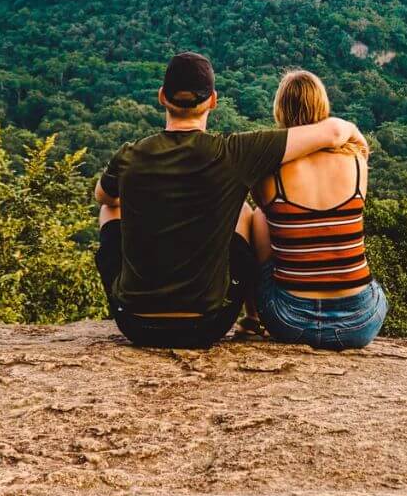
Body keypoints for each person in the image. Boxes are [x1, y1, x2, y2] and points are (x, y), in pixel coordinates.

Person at [94, 52, 369, 349]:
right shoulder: (233, 153)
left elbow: (103, 196)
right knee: (244, 211)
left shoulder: (130, 155)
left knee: (110, 209)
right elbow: (335, 131)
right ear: (213, 100)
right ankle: (251, 319)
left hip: (136, 324)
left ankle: (141, 291)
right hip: (206, 325)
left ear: (162, 96)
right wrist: (359, 142)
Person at [250, 70, 388, 350]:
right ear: (322, 105)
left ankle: (251, 319)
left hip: (290, 322)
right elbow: (362, 145)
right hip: (360, 322)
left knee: (258, 217)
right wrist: (345, 131)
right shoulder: (357, 162)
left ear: (280, 109)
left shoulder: (267, 171)